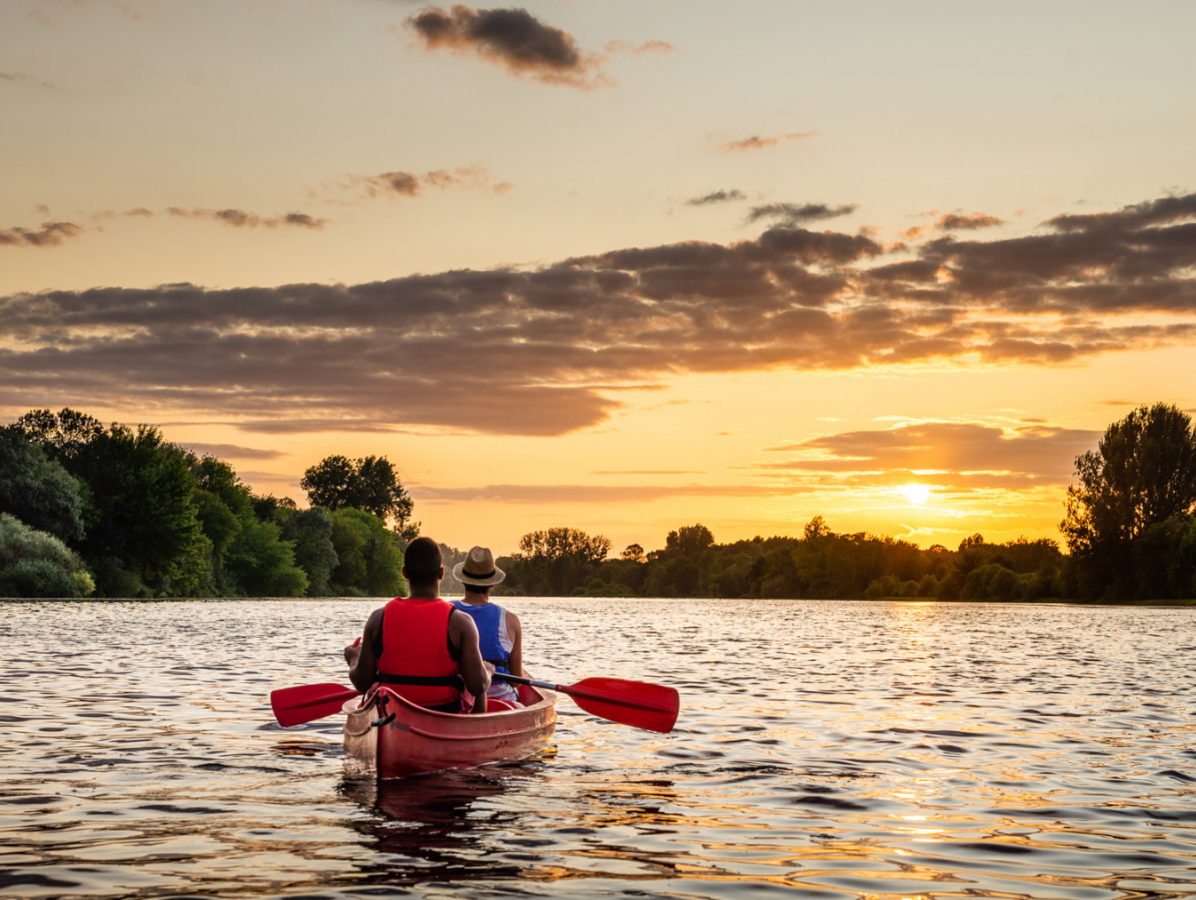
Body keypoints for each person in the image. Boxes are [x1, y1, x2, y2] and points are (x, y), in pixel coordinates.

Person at [344, 536, 490, 713]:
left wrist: (354, 659)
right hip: (444, 715)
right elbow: (477, 687)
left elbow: (361, 683)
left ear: (404, 572)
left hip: (390, 715)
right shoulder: (461, 622)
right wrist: (487, 672)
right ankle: (475, 736)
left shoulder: (377, 618)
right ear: (441, 573)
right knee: (479, 672)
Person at [450, 546, 525, 707]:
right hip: (502, 699)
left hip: (457, 697)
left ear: (463, 581)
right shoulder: (510, 620)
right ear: (492, 584)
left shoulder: (446, 612)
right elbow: (516, 679)